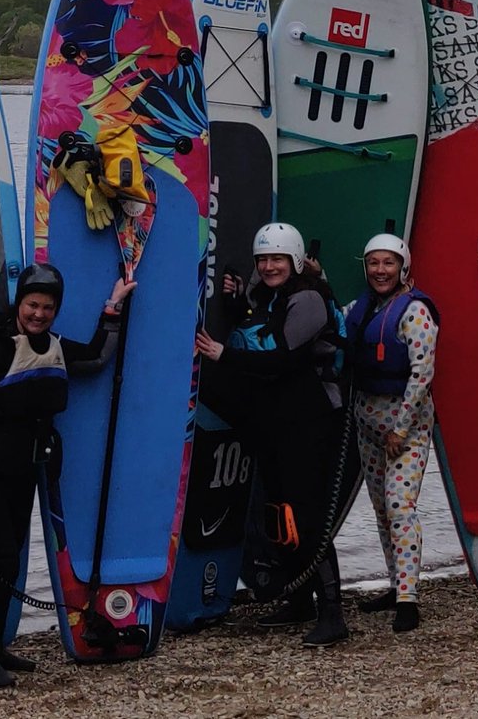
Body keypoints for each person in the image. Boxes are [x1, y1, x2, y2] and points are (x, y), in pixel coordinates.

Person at [0, 263, 135, 687]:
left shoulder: (53, 345)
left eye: (48, 308)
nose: (38, 314)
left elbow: (96, 356)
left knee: (10, 559)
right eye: (32, 305)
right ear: (19, 302)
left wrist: (113, 307)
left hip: (25, 473)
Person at [194, 222, 350, 647]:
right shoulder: (270, 297)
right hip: (277, 419)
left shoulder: (309, 298)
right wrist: (232, 303)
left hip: (310, 419)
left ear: (294, 260)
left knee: (308, 515)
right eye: (262, 260)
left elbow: (283, 359)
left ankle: (332, 613)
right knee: (279, 511)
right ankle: (298, 599)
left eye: (277, 259)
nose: (268, 267)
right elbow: (256, 331)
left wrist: (223, 354)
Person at [344, 233, 439, 633]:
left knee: (400, 506)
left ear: (403, 267)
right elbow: (333, 320)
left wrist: (400, 429)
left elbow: (422, 373)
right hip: (367, 423)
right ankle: (395, 582)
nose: (380, 271)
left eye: (388, 263)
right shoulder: (362, 308)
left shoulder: (414, 311)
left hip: (405, 428)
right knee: (381, 510)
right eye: (373, 263)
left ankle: (408, 599)